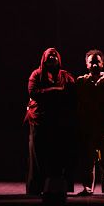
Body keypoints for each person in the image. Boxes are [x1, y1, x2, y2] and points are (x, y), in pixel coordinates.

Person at [24, 47, 76, 197]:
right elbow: (33, 92)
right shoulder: (36, 74)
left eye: (55, 55)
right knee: (37, 155)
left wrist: (50, 93)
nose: (52, 57)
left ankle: (57, 188)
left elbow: (72, 93)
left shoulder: (65, 75)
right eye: (49, 55)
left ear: (59, 59)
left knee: (58, 156)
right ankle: (35, 188)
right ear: (44, 59)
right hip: (39, 121)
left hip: (58, 122)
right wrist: (56, 90)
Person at [76, 49, 104, 196]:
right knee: (87, 160)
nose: (94, 65)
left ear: (102, 63)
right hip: (88, 128)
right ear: (86, 64)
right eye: (91, 62)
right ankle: (87, 187)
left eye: (97, 62)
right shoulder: (81, 82)